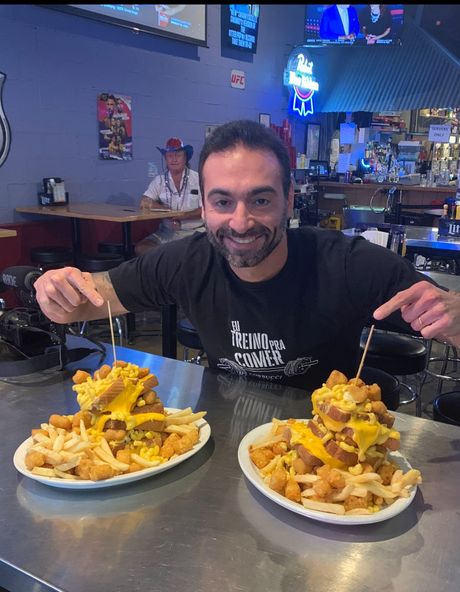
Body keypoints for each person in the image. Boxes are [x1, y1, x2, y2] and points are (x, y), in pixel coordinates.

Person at [33, 120, 460, 393]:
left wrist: (456, 317)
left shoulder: (351, 264)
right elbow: (90, 300)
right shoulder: (187, 261)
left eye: (260, 200)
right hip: (223, 451)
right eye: (222, 202)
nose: (240, 223)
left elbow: (448, 323)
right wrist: (56, 290)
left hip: (329, 453)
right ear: (203, 208)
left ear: (289, 200)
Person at [135, 137, 203, 256]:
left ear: (185, 157)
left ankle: (169, 262)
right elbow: (144, 202)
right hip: (167, 232)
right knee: (141, 248)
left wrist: (182, 216)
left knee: (187, 252)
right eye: (170, 155)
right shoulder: (159, 180)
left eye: (178, 155)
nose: (174, 159)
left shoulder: (198, 179)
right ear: (165, 159)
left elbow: (206, 209)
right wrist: (168, 212)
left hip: (194, 232)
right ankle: (165, 267)